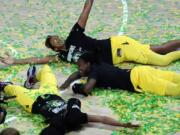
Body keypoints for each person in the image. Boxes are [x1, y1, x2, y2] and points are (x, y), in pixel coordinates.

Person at [0, 0, 180, 66]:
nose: (57, 37)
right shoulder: (61, 57)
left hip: (117, 47)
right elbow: (38, 60)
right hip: (117, 56)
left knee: (160, 53)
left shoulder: (74, 36)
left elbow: (84, 12)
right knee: (158, 49)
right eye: (54, 40)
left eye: (56, 36)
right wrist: (15, 61)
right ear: (54, 48)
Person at [0, 65, 139, 134]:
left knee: (14, 89)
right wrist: (123, 124)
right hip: (51, 92)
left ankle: (5, 86)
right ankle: (31, 80)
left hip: (33, 102)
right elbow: (102, 119)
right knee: (46, 69)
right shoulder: (77, 116)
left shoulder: (60, 125)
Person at [60, 52, 180, 96]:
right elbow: (76, 74)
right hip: (140, 71)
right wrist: (63, 86)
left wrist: (78, 88)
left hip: (139, 81)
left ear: (88, 64)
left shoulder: (94, 72)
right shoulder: (98, 64)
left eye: (80, 65)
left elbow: (87, 89)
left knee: (175, 90)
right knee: (176, 78)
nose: (78, 68)